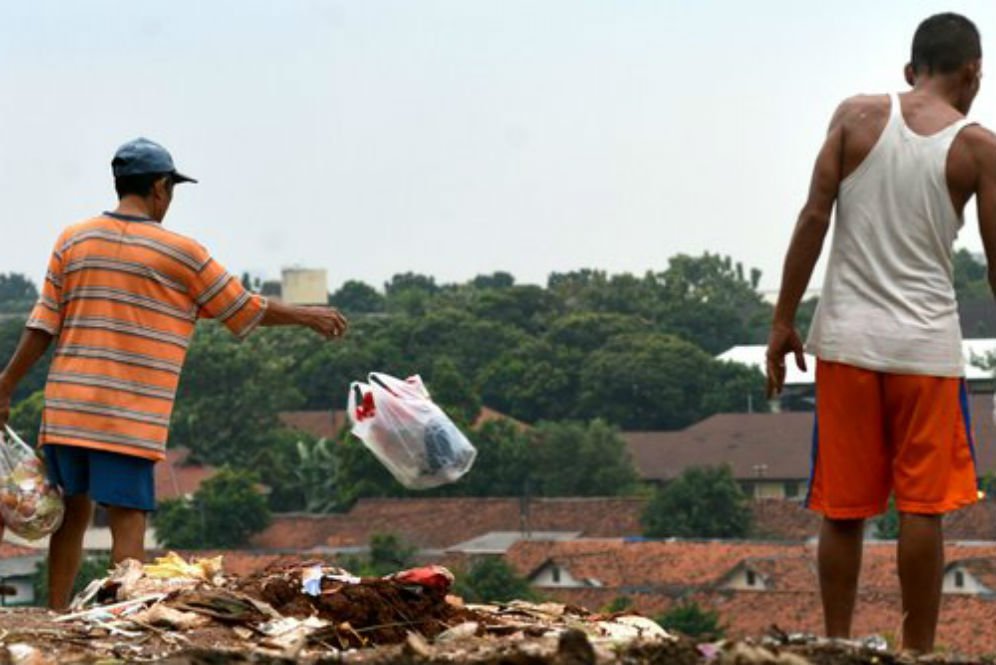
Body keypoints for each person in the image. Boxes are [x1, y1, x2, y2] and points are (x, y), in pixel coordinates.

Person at [0, 138, 348, 609]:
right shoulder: (182, 253)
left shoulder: (73, 238)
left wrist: (5, 386)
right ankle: (120, 611)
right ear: (161, 188)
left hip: (67, 407)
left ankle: (57, 609)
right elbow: (242, 308)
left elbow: (41, 323)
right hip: (126, 414)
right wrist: (308, 316)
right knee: (127, 515)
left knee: (71, 513)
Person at [766, 12, 996, 653]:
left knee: (844, 508)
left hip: (845, 344)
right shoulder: (979, 148)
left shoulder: (856, 115)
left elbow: (814, 215)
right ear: (973, 71)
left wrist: (784, 322)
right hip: (927, 352)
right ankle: (917, 652)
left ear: (909, 71)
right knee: (922, 508)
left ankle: (836, 646)